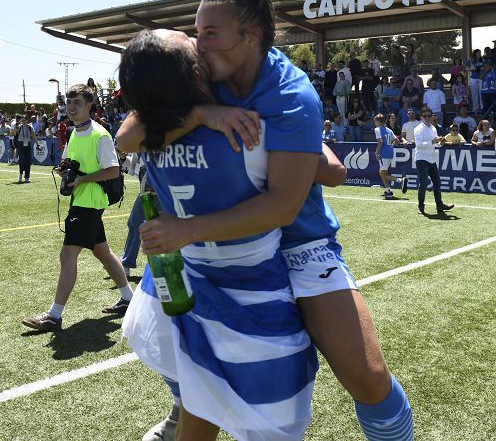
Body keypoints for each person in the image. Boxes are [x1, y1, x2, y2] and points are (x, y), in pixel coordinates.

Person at [118, 0, 414, 441]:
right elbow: (131, 133)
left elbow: (284, 206)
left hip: (298, 240)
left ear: (251, 35)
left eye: (210, 32)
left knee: (367, 376)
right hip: (221, 250)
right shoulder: (202, 73)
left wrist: (190, 226)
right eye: (196, 30)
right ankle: (185, 404)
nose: (197, 42)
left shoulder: (291, 95)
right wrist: (203, 113)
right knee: (191, 356)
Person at [119, 29, 350, 440]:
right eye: (187, 39)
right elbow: (333, 172)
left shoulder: (156, 130)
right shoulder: (247, 122)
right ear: (192, 72)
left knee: (193, 378)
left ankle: (179, 403)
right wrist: (296, 135)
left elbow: (126, 137)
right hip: (252, 295)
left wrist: (194, 115)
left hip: (183, 280)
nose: (196, 37)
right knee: (266, 413)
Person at [21, 84, 134, 332]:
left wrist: (82, 179)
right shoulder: (75, 132)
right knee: (102, 251)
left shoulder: (100, 134)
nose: (71, 108)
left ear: (89, 106)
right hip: (82, 199)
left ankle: (54, 315)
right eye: (69, 103)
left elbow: (113, 170)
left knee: (67, 254)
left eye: (77, 103)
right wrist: (65, 169)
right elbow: (73, 161)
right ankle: (129, 298)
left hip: (89, 202)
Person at [412, 111, 455, 217]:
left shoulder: (433, 128)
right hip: (421, 159)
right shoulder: (418, 129)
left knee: (437, 182)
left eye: (429, 116)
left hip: (431, 159)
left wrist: (441, 142)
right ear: (421, 117)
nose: (427, 118)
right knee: (423, 184)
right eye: (424, 116)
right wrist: (433, 141)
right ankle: (420, 207)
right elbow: (419, 145)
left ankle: (439, 205)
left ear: (432, 117)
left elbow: (436, 144)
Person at [375, 114, 406, 200]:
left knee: (382, 173)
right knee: (383, 173)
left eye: (375, 121)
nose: (375, 123)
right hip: (390, 152)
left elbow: (380, 141)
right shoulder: (389, 130)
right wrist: (390, 146)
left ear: (378, 121)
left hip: (384, 153)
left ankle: (400, 180)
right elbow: (397, 141)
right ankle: (388, 191)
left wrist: (377, 151)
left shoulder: (377, 129)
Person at [13, 115, 37, 184]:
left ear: (27, 120)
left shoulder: (30, 127)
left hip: (28, 144)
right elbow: (12, 134)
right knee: (22, 160)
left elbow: (34, 136)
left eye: (24, 120)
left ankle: (27, 177)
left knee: (28, 161)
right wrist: (15, 129)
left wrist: (37, 144)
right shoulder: (19, 127)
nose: (23, 121)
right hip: (21, 144)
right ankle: (20, 174)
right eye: (22, 120)